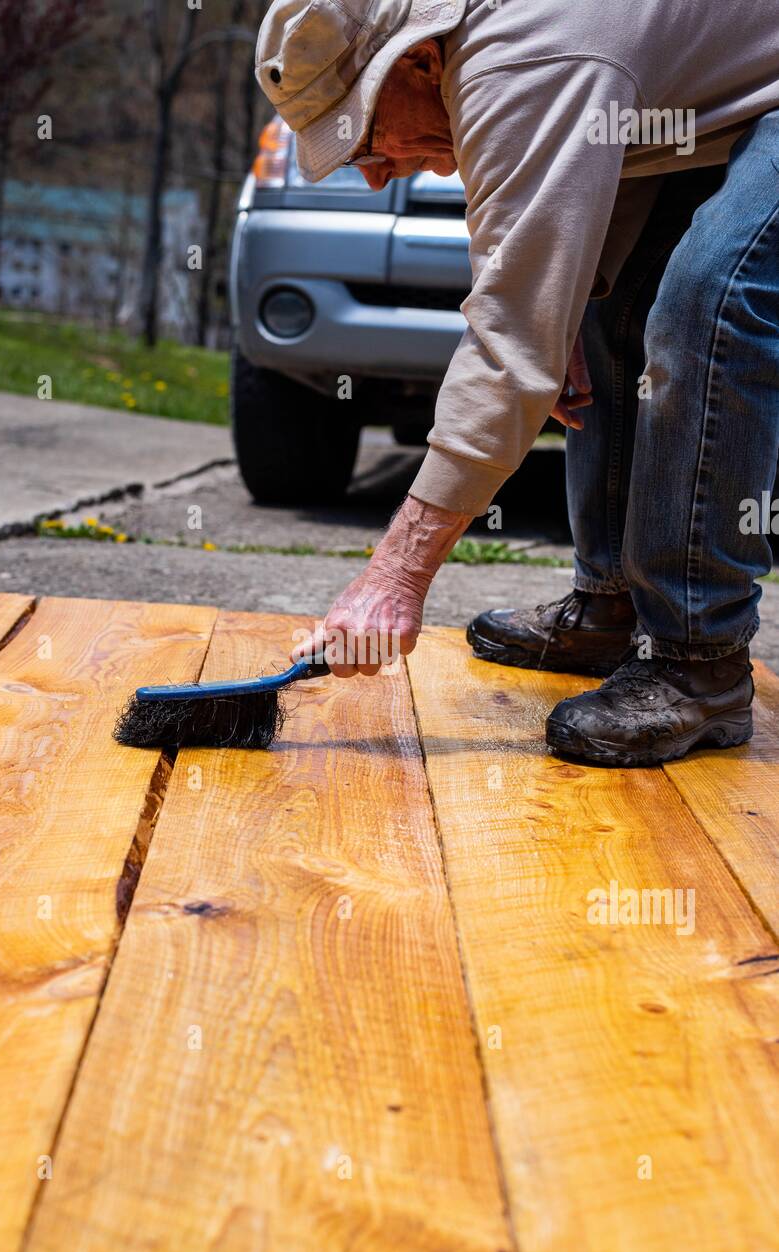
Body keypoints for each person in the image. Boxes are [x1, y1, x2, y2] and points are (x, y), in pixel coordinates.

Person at [255, 0, 779, 766]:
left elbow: (507, 345)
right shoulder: (492, 51)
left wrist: (395, 574)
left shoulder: (517, 62)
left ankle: (697, 661)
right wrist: (564, 299)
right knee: (593, 303)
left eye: (365, 135)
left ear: (419, 62)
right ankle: (612, 602)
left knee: (707, 304)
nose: (372, 176)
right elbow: (538, 251)